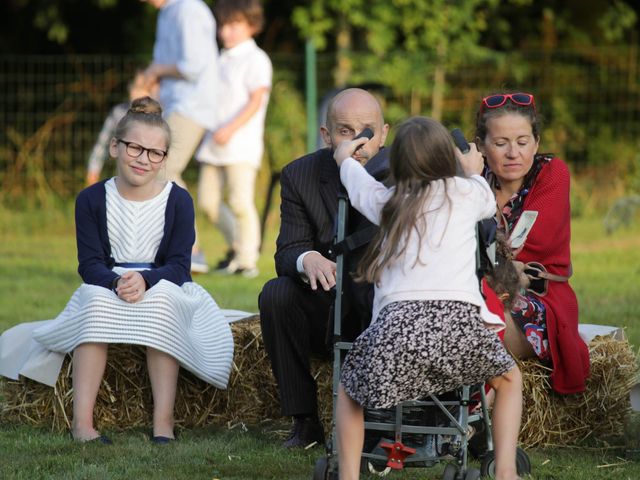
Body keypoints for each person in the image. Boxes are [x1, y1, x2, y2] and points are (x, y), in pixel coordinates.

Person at [0, 97, 234, 444]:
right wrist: (115, 283)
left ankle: (163, 422)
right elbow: (89, 264)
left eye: (155, 152)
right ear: (114, 146)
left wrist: (146, 280)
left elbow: (180, 266)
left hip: (162, 282)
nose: (144, 159)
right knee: (94, 302)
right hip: (108, 283)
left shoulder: (178, 200)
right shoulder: (91, 199)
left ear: (165, 159)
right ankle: (83, 424)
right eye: (135, 148)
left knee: (163, 303)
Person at [333, 116, 522, 480]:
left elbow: (358, 186)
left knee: (350, 389)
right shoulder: (467, 192)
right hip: (458, 331)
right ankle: (506, 471)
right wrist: (471, 168)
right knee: (509, 380)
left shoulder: (387, 203)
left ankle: (348, 476)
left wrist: (344, 158)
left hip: (395, 334)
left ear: (398, 162)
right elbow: (485, 197)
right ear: (446, 158)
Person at [259, 88, 390, 448]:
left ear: (384, 133)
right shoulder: (299, 175)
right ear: (327, 135)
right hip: (328, 300)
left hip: (386, 304)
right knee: (277, 293)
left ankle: (385, 423)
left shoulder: (404, 172)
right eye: (346, 131)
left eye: (368, 130)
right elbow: (287, 250)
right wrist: (307, 258)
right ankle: (305, 422)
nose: (359, 141)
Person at [474, 92, 590, 394]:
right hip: (482, 290)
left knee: (480, 318)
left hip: (540, 299)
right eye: (500, 143)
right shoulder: (472, 180)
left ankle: (475, 420)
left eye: (522, 142)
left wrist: (484, 258)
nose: (513, 153)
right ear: (481, 147)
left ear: (536, 143)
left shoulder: (552, 174)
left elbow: (528, 244)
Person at [195, 0, 272, 278]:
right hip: (212, 143)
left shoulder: (256, 59)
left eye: (234, 24)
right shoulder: (219, 58)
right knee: (207, 202)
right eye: (223, 25)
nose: (227, 31)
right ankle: (238, 248)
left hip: (241, 144)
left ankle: (247, 260)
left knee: (240, 202)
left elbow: (256, 100)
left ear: (251, 25)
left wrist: (230, 128)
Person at [142, 0, 219, 274]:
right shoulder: (168, 13)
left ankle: (192, 249)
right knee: (157, 169)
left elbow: (193, 64)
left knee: (162, 167)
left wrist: (156, 70)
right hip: (176, 105)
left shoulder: (190, 10)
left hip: (193, 106)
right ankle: (178, 248)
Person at [85, 72, 155, 186]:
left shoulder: (163, 116)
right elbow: (103, 143)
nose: (136, 92)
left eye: (143, 88)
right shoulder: (118, 113)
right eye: (135, 86)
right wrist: (93, 169)